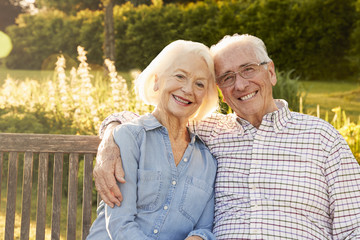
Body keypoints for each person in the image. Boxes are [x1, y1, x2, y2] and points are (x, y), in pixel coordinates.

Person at [94, 34, 360, 239]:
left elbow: (355, 226)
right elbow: (154, 120)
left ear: (270, 71)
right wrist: (109, 140)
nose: (240, 85)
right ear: (220, 90)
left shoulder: (322, 138)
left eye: (248, 70)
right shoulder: (212, 131)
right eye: (228, 77)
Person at [87, 40, 220, 240]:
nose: (188, 89)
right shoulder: (130, 137)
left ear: (205, 96)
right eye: (180, 76)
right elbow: (120, 225)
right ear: (157, 81)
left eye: (199, 84)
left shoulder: (207, 160)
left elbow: (204, 228)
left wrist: (200, 237)